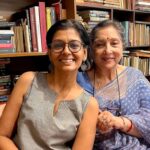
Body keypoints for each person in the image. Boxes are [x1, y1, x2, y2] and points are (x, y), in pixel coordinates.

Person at [0, 19, 99, 150]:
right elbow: (2, 136)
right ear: (50, 53)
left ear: (85, 53)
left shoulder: (89, 105)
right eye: (58, 45)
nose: (66, 51)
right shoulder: (28, 81)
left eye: (74, 45)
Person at [77, 20, 150, 149]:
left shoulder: (135, 77)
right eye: (100, 45)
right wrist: (96, 121)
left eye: (114, 44)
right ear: (91, 50)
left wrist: (119, 122)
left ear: (123, 46)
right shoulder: (79, 81)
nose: (108, 50)